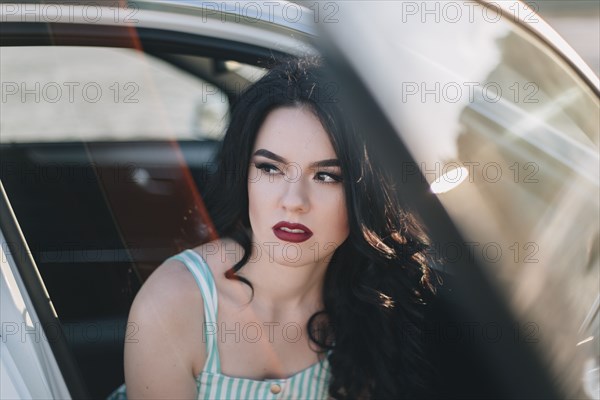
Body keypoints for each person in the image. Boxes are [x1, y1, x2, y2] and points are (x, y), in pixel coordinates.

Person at [112, 56, 438, 399]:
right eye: (270, 169)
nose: (293, 200)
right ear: (244, 175)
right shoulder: (174, 304)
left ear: (364, 193)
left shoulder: (370, 296)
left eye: (326, 176)